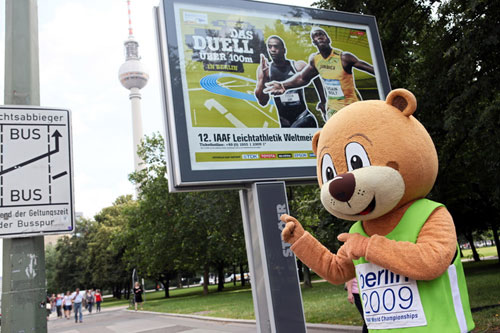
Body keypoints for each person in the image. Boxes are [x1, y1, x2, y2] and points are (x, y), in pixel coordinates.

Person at [264, 27, 375, 120]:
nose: (319, 37)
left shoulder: (344, 57)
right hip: (333, 109)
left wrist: (383, 76)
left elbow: (369, 68)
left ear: (328, 39)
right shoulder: (315, 59)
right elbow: (303, 78)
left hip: (351, 107)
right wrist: (284, 85)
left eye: (321, 34)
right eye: (315, 36)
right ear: (314, 42)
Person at [255, 35, 325, 127]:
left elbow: (315, 76)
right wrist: (264, 77)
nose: (272, 49)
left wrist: (323, 100)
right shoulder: (266, 70)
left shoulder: (297, 65)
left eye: (276, 46)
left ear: (284, 50)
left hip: (303, 117)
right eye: (270, 46)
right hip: (285, 122)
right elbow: (262, 102)